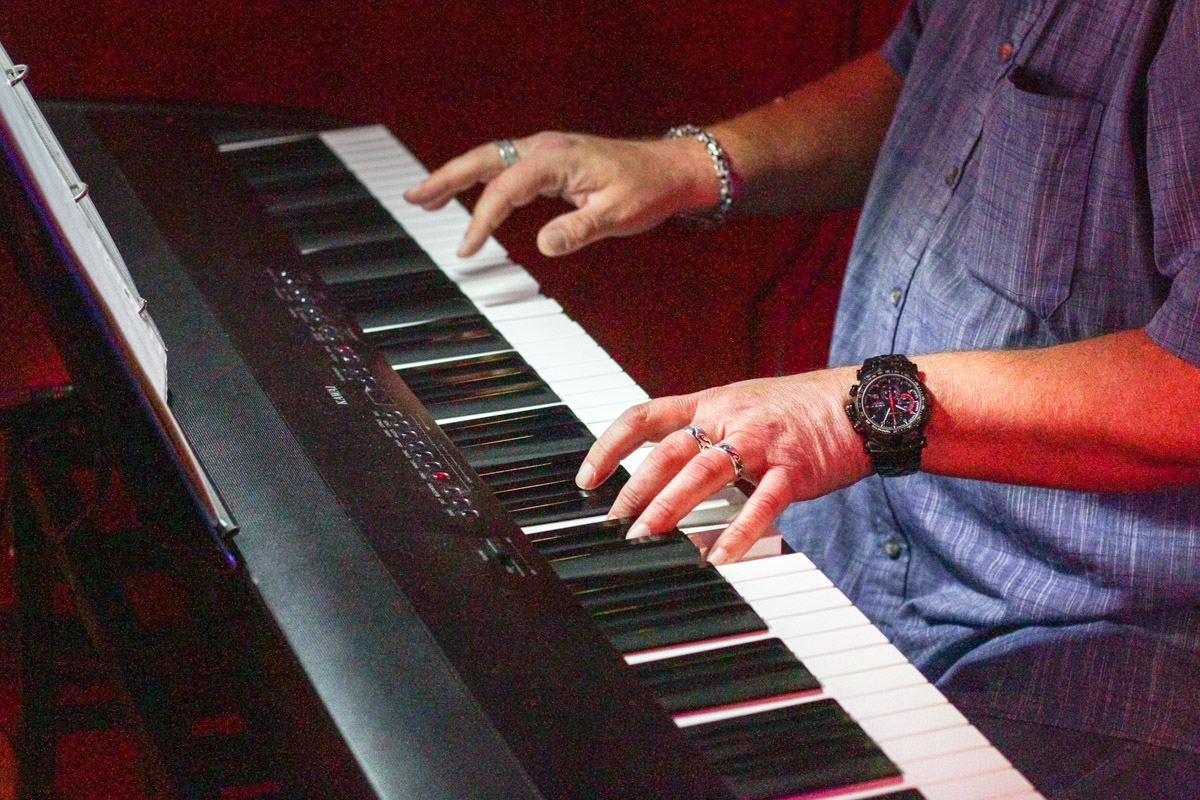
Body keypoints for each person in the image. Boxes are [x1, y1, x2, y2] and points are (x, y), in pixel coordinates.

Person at [405, 2, 1200, 797]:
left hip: (1086, 643)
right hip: (851, 547)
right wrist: (695, 163)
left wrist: (853, 413)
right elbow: (923, 85)